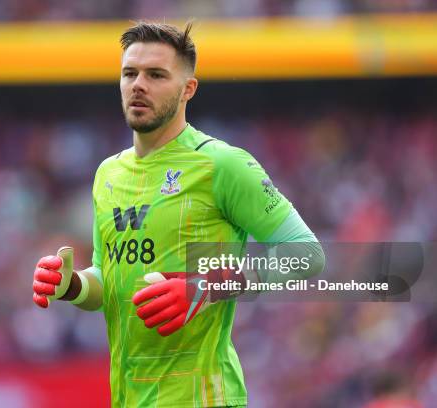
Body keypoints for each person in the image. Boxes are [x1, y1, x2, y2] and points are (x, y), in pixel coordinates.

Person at [32, 21, 325, 407]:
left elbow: (307, 255)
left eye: (156, 75)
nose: (138, 84)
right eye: (129, 73)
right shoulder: (108, 174)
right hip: (128, 398)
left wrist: (205, 285)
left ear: (188, 89)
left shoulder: (223, 165)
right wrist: (73, 285)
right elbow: (110, 282)